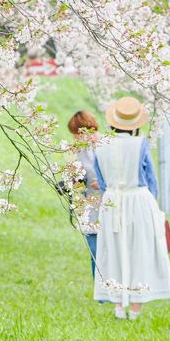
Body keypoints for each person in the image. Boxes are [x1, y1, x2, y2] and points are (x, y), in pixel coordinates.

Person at [93, 96, 170, 320]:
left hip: (111, 202)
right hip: (138, 200)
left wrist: (111, 190)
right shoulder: (141, 144)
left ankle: (118, 307)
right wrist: (151, 204)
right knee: (140, 250)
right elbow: (150, 179)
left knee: (113, 250)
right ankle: (135, 311)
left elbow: (100, 181)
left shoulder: (100, 145)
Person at [66, 110, 102, 276]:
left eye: (77, 134)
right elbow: (81, 176)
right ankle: (101, 295)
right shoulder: (80, 150)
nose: (75, 138)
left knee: (109, 252)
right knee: (94, 252)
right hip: (90, 207)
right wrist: (72, 182)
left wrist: (104, 184)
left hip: (109, 204)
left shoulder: (108, 144)